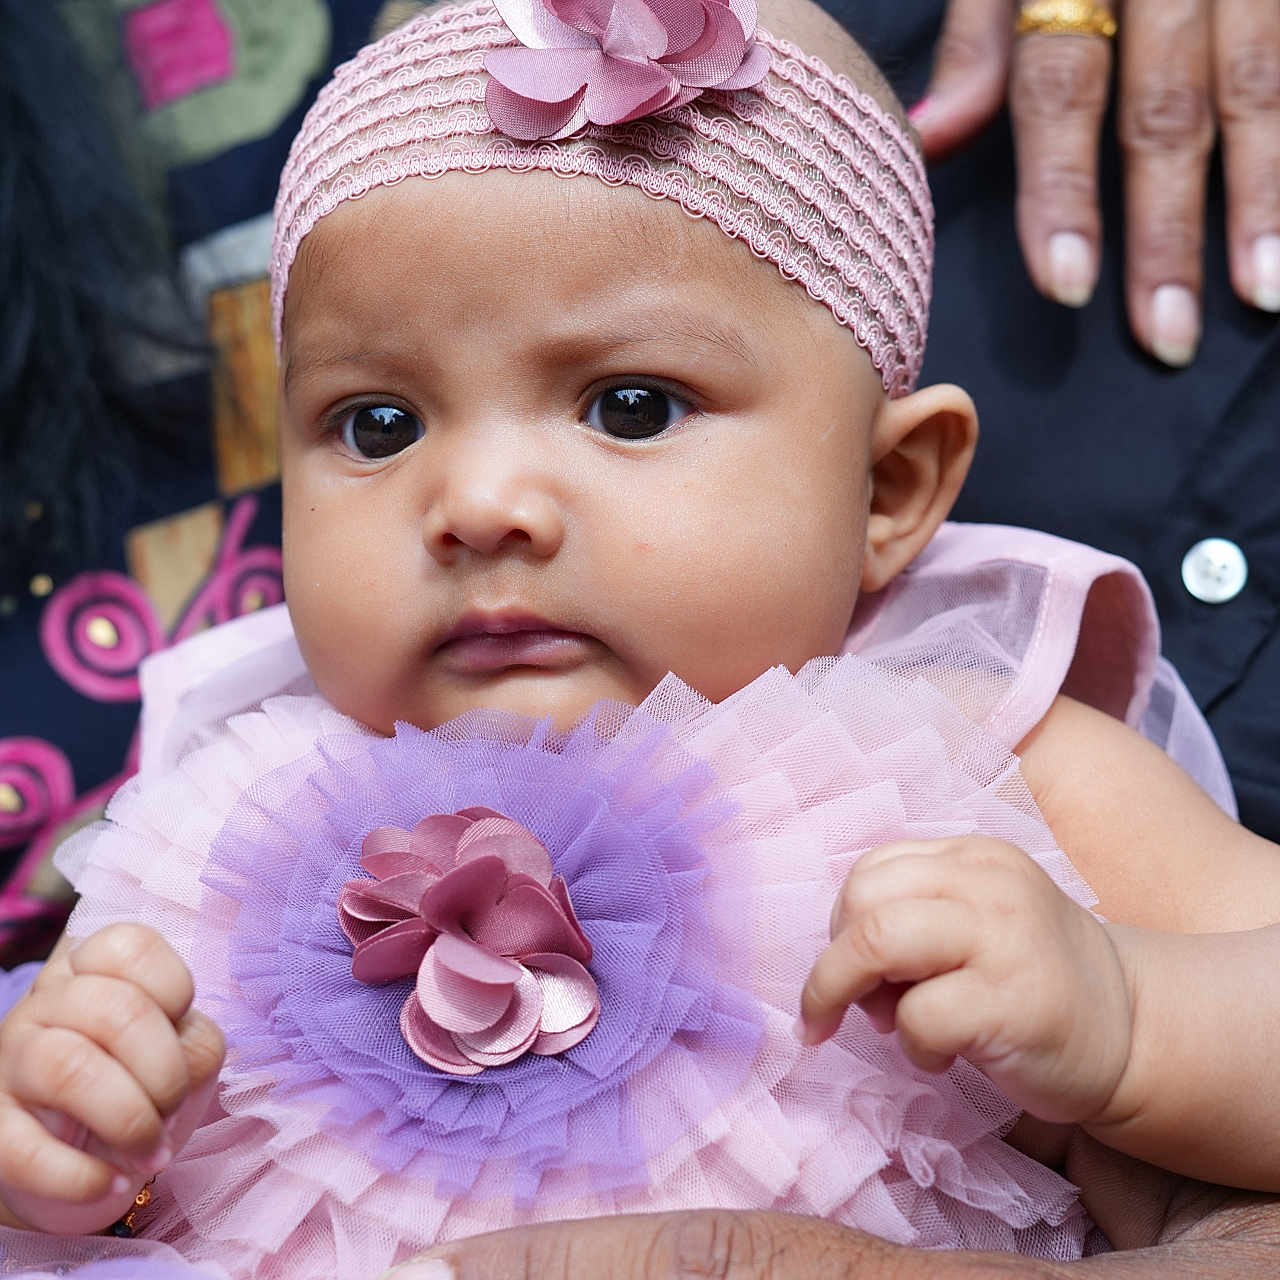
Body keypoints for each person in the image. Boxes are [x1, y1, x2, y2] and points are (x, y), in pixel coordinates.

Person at [0, 0, 1276, 1274]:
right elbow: (126, 1160)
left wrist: (1128, 1013)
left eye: (627, 405)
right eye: (378, 424)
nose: (480, 503)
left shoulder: (978, 761)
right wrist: (69, 1144)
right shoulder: (242, 820)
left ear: (886, 492)